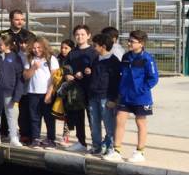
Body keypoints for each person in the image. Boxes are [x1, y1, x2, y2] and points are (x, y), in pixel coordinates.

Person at [105, 30, 159, 163]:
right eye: (128, 40)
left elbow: (153, 78)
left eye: (132, 41)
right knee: (119, 120)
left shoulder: (147, 58)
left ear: (141, 43)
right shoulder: (126, 56)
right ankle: (116, 150)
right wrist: (120, 92)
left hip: (141, 97)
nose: (129, 43)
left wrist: (140, 89)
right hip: (125, 96)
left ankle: (140, 152)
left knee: (140, 123)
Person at [83, 32, 119, 156]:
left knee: (109, 123)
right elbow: (92, 73)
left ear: (103, 46)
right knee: (94, 122)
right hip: (93, 96)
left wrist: (113, 99)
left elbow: (115, 82)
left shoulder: (113, 61)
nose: (93, 48)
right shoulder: (95, 59)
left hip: (106, 97)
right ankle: (96, 146)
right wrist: (88, 71)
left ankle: (110, 146)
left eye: (95, 45)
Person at [64, 24, 98, 153]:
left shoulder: (94, 52)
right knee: (78, 117)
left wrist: (90, 71)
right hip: (75, 91)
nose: (80, 37)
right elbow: (66, 66)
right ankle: (81, 142)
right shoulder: (72, 53)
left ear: (89, 36)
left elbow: (98, 68)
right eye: (77, 34)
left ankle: (96, 143)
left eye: (82, 34)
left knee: (92, 118)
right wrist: (68, 74)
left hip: (90, 90)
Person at [22, 37, 59, 147]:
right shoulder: (29, 59)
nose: (36, 50)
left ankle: (51, 139)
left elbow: (54, 77)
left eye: (39, 47)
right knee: (34, 117)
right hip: (33, 92)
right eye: (34, 48)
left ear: (44, 47)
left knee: (49, 118)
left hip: (46, 93)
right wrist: (33, 68)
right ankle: (36, 138)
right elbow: (25, 76)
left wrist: (49, 93)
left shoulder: (51, 59)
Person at [0, 34, 24, 148]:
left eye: (1, 44)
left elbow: (20, 78)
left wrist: (17, 95)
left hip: (10, 93)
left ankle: (14, 137)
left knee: (12, 115)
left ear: (8, 45)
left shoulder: (15, 58)